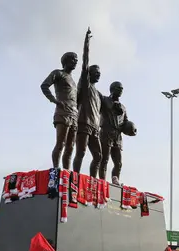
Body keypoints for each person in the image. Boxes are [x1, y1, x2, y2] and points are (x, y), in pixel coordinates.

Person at [72, 28, 103, 177]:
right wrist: (87, 41)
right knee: (81, 152)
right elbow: (85, 61)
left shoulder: (98, 94)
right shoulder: (85, 83)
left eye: (100, 73)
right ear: (89, 74)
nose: (98, 74)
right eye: (96, 72)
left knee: (98, 156)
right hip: (83, 123)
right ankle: (75, 176)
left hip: (95, 128)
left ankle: (93, 180)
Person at [40, 50, 79, 169]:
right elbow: (44, 85)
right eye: (73, 59)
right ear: (66, 61)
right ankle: (56, 168)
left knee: (70, 146)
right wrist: (54, 100)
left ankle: (67, 171)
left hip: (74, 114)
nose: (76, 62)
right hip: (63, 112)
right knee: (61, 143)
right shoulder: (58, 73)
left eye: (77, 60)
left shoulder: (73, 80)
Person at [99, 81, 128, 185]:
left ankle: (115, 181)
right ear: (112, 89)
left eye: (122, 89)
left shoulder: (123, 108)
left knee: (118, 163)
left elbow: (125, 122)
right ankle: (102, 181)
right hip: (106, 133)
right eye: (118, 88)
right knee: (104, 159)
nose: (121, 90)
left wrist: (130, 128)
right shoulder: (104, 100)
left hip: (117, 136)